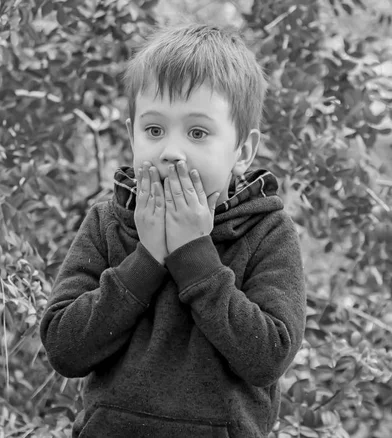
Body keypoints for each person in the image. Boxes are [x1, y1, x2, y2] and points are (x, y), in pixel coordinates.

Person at [39, 23, 306, 438]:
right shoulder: (109, 221)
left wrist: (193, 253)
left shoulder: (267, 232)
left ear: (243, 151)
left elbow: (267, 356)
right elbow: (64, 349)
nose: (171, 152)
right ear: (132, 135)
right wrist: (147, 259)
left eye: (197, 132)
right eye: (154, 130)